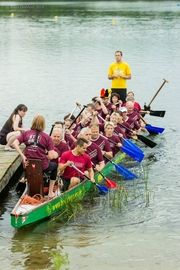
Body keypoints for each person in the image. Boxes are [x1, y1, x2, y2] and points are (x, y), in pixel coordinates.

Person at [12, 115, 58, 199]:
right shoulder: (47, 137)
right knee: (54, 167)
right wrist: (46, 155)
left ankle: (29, 189)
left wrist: (23, 157)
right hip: (42, 166)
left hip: (27, 164)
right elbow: (51, 156)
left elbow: (14, 144)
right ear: (43, 124)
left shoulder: (26, 133)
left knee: (29, 169)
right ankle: (50, 192)